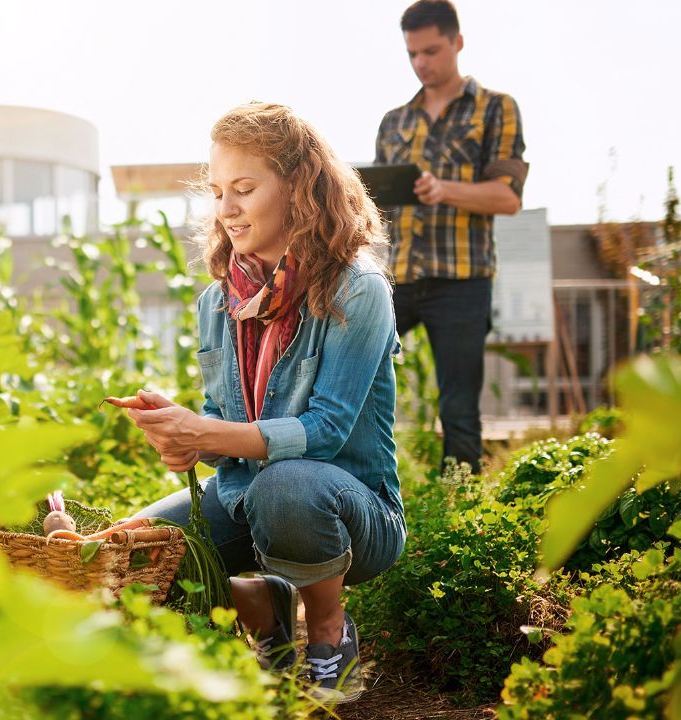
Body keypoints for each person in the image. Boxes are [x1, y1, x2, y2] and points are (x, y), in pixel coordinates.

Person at [121, 102, 406, 703]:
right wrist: (180, 431)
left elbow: (324, 431)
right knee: (137, 554)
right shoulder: (218, 302)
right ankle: (263, 609)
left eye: (244, 189)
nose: (226, 209)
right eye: (217, 192)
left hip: (351, 512)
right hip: (243, 497)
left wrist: (203, 433)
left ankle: (327, 632)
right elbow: (221, 421)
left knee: (286, 486)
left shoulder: (357, 289)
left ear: (299, 189)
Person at [375, 0, 528, 473]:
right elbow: (376, 205)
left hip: (463, 280)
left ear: (457, 42)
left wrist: (444, 190)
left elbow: (508, 197)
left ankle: (459, 497)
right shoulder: (394, 121)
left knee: (459, 407)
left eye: (431, 51)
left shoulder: (496, 108)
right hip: (397, 279)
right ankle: (359, 484)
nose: (421, 63)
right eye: (413, 54)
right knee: (348, 369)